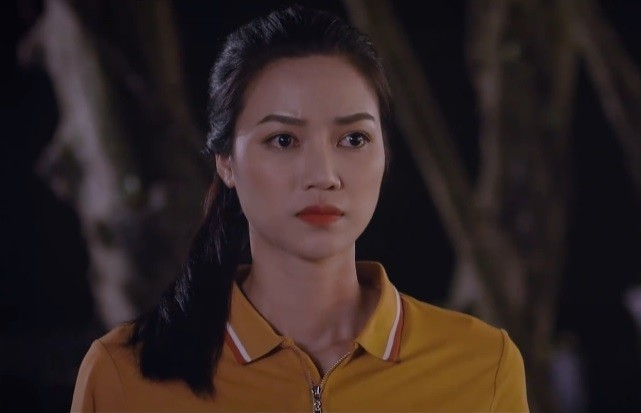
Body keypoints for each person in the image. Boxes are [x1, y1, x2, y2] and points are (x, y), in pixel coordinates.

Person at [70, 5, 528, 412]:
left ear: (385, 155)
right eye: (283, 140)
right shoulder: (124, 375)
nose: (323, 175)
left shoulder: (481, 366)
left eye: (353, 139)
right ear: (226, 162)